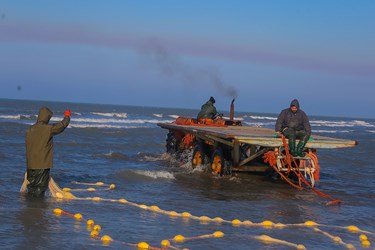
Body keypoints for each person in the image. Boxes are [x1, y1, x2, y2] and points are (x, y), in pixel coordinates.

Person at [25, 107, 71, 197]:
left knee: (31, 186)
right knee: (40, 187)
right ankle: (37, 207)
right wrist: (67, 117)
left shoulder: (29, 129)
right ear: (46, 117)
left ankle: (30, 206)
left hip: (30, 164)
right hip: (42, 163)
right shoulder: (48, 129)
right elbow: (61, 126)